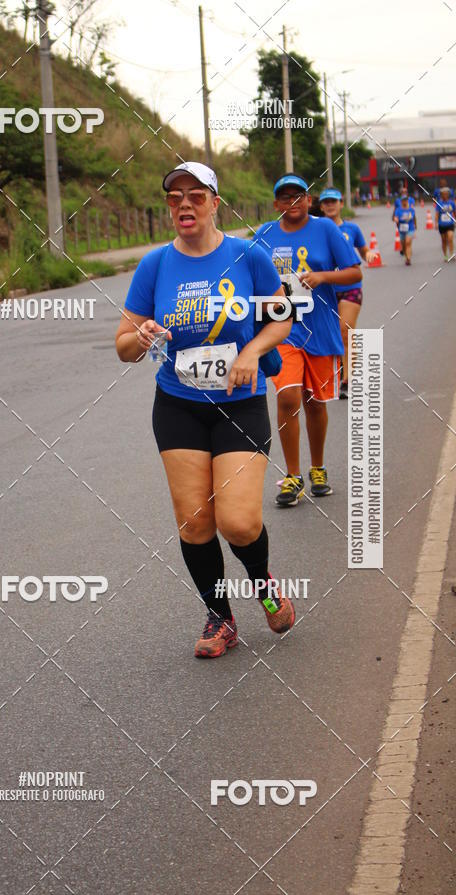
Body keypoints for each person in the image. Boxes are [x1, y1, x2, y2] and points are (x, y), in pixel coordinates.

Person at [115, 161, 294, 658]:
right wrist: (142, 335)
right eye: (175, 198)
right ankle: (221, 618)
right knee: (195, 523)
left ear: (216, 202)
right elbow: (123, 346)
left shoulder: (248, 256)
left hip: (240, 402)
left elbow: (281, 318)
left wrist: (252, 352)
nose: (185, 205)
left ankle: (261, 582)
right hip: (178, 404)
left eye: (196, 196)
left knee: (237, 523)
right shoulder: (154, 265)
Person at [253, 173, 361, 507]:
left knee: (314, 401)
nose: (293, 202)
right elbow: (249, 276)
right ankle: (293, 476)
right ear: (276, 204)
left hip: (320, 327)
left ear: (308, 200)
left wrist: (323, 276)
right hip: (283, 328)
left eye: (299, 196)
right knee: (288, 397)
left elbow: (354, 271)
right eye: (285, 197)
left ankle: (317, 468)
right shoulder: (264, 234)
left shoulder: (326, 229)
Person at [319, 187, 374, 399]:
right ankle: (339, 371)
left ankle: (347, 379)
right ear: (321, 206)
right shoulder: (316, 230)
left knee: (345, 331)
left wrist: (369, 254)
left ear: (341, 203)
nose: (330, 205)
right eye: (326, 202)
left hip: (350, 290)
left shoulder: (352, 228)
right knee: (331, 334)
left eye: (334, 201)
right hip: (325, 292)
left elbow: (362, 250)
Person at [393, 194, 416, 265]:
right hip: (402, 229)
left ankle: (408, 258)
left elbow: (411, 217)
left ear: (407, 201)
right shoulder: (398, 210)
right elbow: (395, 217)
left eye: (406, 200)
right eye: (403, 200)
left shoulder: (411, 210)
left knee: (408, 242)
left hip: (410, 228)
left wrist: (415, 226)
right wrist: (396, 219)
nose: (404, 202)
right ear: (401, 201)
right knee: (403, 246)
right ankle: (406, 257)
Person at [434, 185, 456, 261]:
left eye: (446, 194)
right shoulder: (439, 203)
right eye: (443, 194)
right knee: (444, 240)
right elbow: (437, 214)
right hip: (442, 224)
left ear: (448, 194)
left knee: (450, 238)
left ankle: (452, 254)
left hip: (450, 224)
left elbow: (454, 212)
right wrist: (436, 223)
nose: (445, 195)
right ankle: (445, 255)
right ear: (441, 195)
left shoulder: (452, 203)